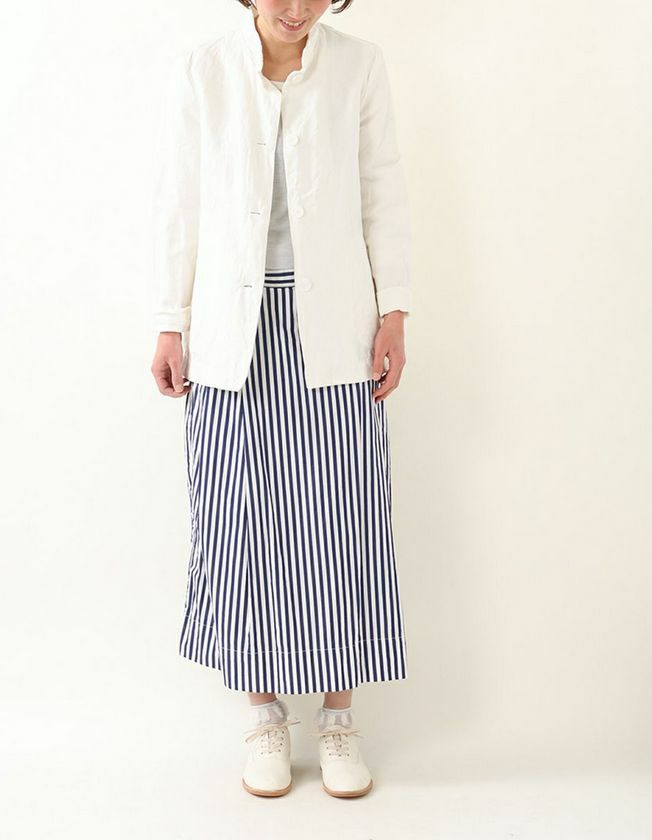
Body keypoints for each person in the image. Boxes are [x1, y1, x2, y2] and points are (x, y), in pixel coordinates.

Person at [151, 0, 413, 798]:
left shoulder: (359, 65)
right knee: (240, 519)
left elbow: (383, 190)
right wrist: (170, 321)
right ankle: (264, 714)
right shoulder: (204, 69)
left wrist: (395, 310)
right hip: (232, 328)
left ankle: (338, 719)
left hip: (334, 322)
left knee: (342, 518)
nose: (296, 9)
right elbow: (181, 202)